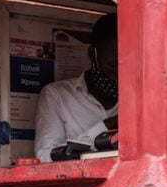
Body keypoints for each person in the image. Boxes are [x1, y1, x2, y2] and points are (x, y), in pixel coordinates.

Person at [34, 13, 118, 162]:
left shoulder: (141, 98)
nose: (118, 74)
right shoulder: (56, 96)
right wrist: (106, 126)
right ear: (93, 55)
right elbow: (45, 157)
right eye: (113, 65)